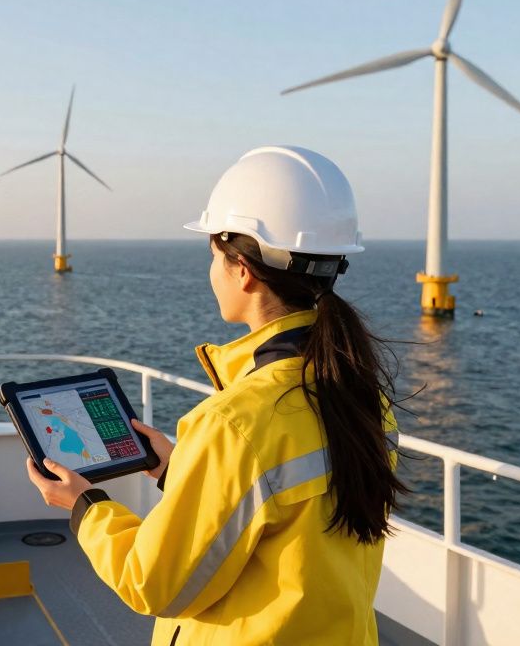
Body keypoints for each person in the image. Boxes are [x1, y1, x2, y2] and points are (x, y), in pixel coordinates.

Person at [26, 145, 405, 645]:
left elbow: (154, 583)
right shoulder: (363, 396)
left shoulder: (234, 423)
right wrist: (177, 471)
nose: (211, 273)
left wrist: (84, 505)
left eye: (213, 257)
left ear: (242, 271)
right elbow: (288, 517)